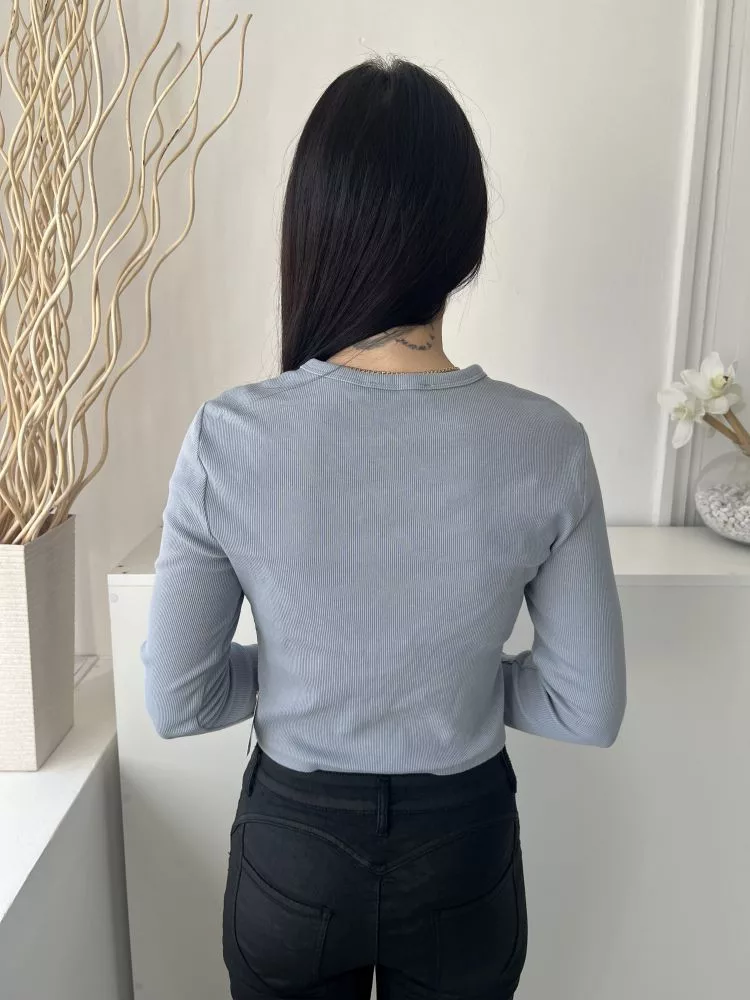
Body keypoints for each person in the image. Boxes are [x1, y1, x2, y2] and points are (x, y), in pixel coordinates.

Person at [142, 57, 626, 1000]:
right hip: (463, 852)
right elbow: (588, 706)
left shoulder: (229, 437)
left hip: (292, 855)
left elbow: (178, 699)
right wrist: (447, 682)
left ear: (312, 227)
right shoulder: (547, 443)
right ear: (466, 238)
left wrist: (307, 678)